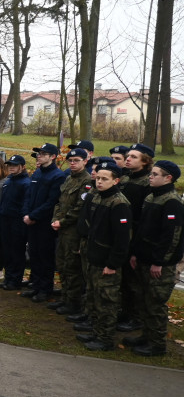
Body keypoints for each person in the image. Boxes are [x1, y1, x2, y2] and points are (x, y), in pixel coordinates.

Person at [124, 160, 184, 356]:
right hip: (143, 257)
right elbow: (142, 229)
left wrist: (159, 262)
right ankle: (146, 335)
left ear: (168, 178)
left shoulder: (172, 201)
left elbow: (171, 236)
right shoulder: (152, 196)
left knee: (155, 304)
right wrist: (135, 252)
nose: (151, 176)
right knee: (143, 300)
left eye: (156, 174)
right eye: (152, 173)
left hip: (160, 264)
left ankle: (157, 344)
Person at [75, 159, 132, 352]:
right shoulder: (98, 197)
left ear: (115, 181)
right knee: (93, 297)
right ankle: (96, 330)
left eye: (104, 179)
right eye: (98, 178)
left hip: (107, 262)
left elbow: (122, 239)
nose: (99, 182)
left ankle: (105, 338)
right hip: (94, 257)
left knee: (107, 301)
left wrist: (113, 264)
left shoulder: (119, 203)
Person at [21, 143, 65, 302]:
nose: (39, 155)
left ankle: (45, 289)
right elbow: (28, 196)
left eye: (43, 153)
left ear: (53, 156)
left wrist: (33, 216)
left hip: (45, 223)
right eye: (39, 153)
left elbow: (52, 201)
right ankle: (36, 285)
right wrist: (26, 213)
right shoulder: (38, 173)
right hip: (31, 221)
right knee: (35, 255)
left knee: (45, 257)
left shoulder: (58, 176)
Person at [117, 143, 154, 333]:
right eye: (128, 156)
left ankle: (136, 317)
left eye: (134, 156)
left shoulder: (148, 183)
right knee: (123, 279)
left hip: (136, 234)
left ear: (145, 161)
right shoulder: (124, 178)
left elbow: (145, 216)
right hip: (122, 233)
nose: (128, 159)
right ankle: (125, 311)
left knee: (135, 281)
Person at [49, 148, 91, 315]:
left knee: (72, 267)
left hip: (73, 231)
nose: (73, 163)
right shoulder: (68, 179)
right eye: (70, 161)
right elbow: (60, 203)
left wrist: (63, 221)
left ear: (85, 161)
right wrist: (55, 219)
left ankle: (73, 303)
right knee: (62, 265)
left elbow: (79, 208)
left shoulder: (86, 181)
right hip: (62, 229)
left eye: (77, 160)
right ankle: (65, 298)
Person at [0, 155, 30, 290]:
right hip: (5, 220)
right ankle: (8, 277)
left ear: (22, 166)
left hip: (17, 222)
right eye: (10, 165)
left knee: (17, 252)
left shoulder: (26, 183)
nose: (11, 167)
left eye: (15, 165)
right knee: (7, 251)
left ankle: (15, 280)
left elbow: (25, 204)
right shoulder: (8, 180)